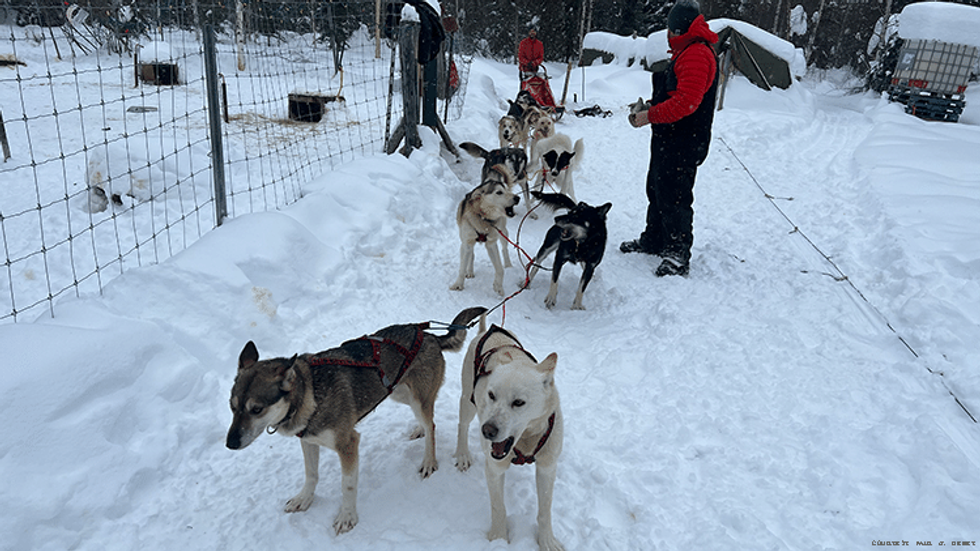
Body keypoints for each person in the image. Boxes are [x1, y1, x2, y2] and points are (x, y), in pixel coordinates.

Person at [620, 0, 719, 277]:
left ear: (679, 28)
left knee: (675, 196)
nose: (668, 34)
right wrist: (651, 104)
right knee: (657, 189)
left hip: (684, 140)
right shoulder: (686, 50)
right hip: (669, 138)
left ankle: (677, 252)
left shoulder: (697, 53)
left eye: (670, 29)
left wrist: (649, 115)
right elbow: (676, 94)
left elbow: (686, 103)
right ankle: (654, 239)